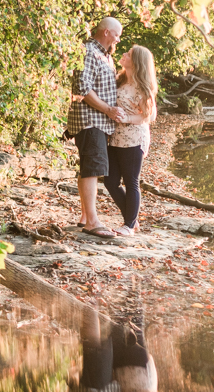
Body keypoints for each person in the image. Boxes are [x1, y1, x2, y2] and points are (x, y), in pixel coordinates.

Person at [66, 17, 124, 238]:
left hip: (100, 122)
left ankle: (84, 217)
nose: (118, 39)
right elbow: (82, 88)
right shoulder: (90, 51)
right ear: (107, 32)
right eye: (117, 34)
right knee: (93, 168)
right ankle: (92, 221)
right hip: (91, 120)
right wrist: (108, 110)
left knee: (89, 168)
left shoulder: (106, 55)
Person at [105, 45, 158, 237]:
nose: (124, 55)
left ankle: (128, 225)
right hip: (115, 137)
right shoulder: (119, 80)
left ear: (136, 62)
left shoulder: (142, 87)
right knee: (110, 181)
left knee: (131, 181)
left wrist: (126, 118)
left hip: (134, 138)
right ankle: (132, 221)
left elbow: (149, 116)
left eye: (128, 54)